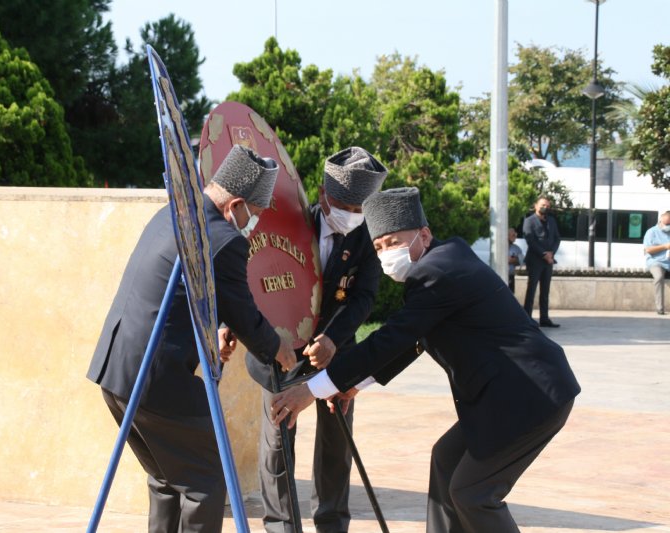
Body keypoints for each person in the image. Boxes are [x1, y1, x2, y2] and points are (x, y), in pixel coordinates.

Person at [270, 187, 581, 533]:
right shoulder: (442, 262)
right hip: (509, 396)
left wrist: (312, 389)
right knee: (446, 461)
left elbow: (391, 338)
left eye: (393, 242)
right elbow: (414, 340)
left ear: (424, 234)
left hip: (528, 397)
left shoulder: (438, 272)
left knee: (473, 494)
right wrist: (356, 384)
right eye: (378, 247)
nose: (386, 253)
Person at [86, 144, 297, 533]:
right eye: (258, 212)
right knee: (205, 482)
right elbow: (246, 315)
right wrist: (279, 350)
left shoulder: (174, 215)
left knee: (168, 480)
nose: (256, 223)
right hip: (156, 381)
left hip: (116, 371)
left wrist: (211, 330)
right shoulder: (223, 238)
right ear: (235, 205)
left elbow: (182, 293)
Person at [243, 146, 387, 533]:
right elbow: (257, 278)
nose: (352, 216)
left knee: (336, 446)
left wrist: (332, 339)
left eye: (360, 208)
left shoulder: (365, 235)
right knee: (278, 445)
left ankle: (332, 523)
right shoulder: (288, 224)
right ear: (323, 196)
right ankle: (282, 527)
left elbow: (364, 298)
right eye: (344, 206)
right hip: (281, 349)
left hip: (336, 350)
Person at [523, 196, 561, 327]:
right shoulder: (529, 221)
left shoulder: (551, 220)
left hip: (548, 260)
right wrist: (543, 253)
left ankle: (544, 318)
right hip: (535, 260)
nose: (545, 207)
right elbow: (530, 241)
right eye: (542, 205)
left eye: (547, 206)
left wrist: (551, 253)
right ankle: (527, 318)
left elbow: (557, 238)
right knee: (531, 289)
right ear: (536, 206)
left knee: (545, 291)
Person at [643, 210, 670, 315]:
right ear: (661, 219)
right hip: (656, 261)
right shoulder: (651, 232)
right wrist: (664, 246)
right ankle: (660, 308)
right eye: (666, 224)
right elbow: (648, 250)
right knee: (658, 277)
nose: (668, 226)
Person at [508, 227, 525, 293]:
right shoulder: (498, 247)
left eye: (515, 235)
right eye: (513, 235)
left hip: (511, 276)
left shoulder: (517, 249)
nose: (515, 237)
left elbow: (522, 262)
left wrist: (514, 260)